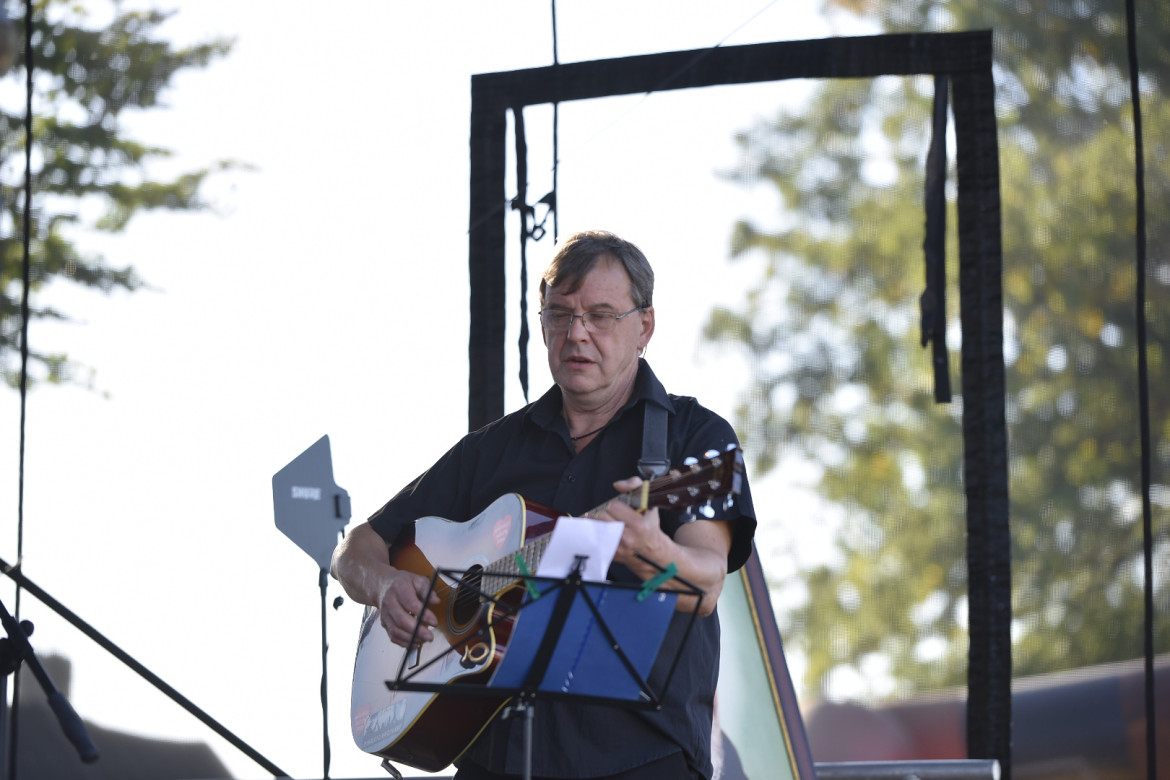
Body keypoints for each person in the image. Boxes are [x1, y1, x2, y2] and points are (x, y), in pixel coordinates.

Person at [331, 229, 757, 780]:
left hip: (643, 760)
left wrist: (655, 551)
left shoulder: (695, 439)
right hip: (494, 760)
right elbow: (355, 549)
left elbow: (706, 583)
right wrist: (387, 585)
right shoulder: (490, 450)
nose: (577, 333)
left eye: (601, 316)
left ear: (645, 326)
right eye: (560, 315)